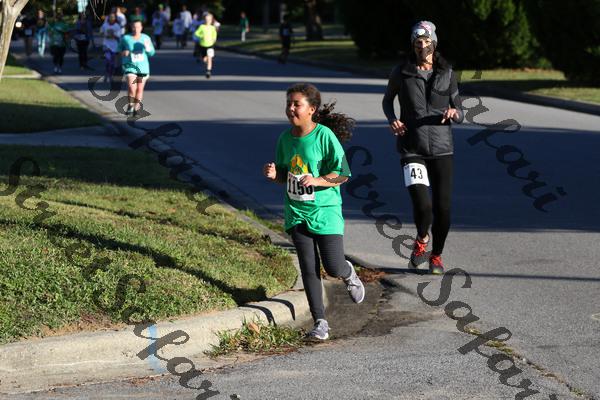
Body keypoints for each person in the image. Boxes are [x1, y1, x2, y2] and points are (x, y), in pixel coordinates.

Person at [262, 83, 365, 341]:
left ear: (312, 109)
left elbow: (343, 174)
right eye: (289, 103)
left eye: (296, 104)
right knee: (308, 268)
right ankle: (320, 323)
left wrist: (317, 180)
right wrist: (275, 175)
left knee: (332, 266)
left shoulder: (324, 136)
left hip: (325, 210)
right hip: (297, 211)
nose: (291, 108)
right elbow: (286, 175)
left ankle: (348, 272)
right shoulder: (284, 139)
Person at [381, 21, 464, 275]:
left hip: (442, 148)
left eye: (427, 42)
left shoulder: (447, 73)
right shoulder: (401, 72)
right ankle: (421, 240)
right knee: (423, 206)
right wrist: (392, 119)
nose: (422, 47)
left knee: (443, 209)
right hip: (411, 148)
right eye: (418, 43)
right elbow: (387, 101)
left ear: (434, 44)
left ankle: (436, 256)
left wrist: (454, 113)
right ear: (413, 45)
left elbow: (460, 110)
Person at [118, 19, 155, 116]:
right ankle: (130, 105)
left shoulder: (145, 38)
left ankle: (136, 108)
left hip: (143, 67)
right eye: (134, 27)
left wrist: (148, 48)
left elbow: (152, 53)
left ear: (141, 28)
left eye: (138, 27)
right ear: (131, 27)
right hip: (130, 66)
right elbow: (118, 49)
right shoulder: (126, 38)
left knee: (139, 89)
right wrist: (123, 52)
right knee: (132, 87)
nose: (136, 29)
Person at [194, 12, 217, 78]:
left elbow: (214, 34)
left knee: (210, 58)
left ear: (211, 20)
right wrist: (201, 36)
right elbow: (196, 33)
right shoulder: (202, 27)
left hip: (210, 45)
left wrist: (214, 39)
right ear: (204, 20)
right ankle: (206, 63)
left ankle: (208, 71)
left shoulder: (212, 28)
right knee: (204, 59)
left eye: (209, 19)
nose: (208, 21)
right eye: (206, 19)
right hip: (203, 45)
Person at [100, 12, 121, 82]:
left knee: (112, 62)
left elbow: (118, 37)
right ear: (108, 18)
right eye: (110, 17)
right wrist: (104, 35)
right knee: (108, 60)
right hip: (106, 45)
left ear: (115, 18)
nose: (112, 18)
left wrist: (112, 35)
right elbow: (101, 33)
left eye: (113, 17)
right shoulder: (105, 25)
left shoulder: (117, 26)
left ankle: (110, 75)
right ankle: (107, 74)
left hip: (114, 46)